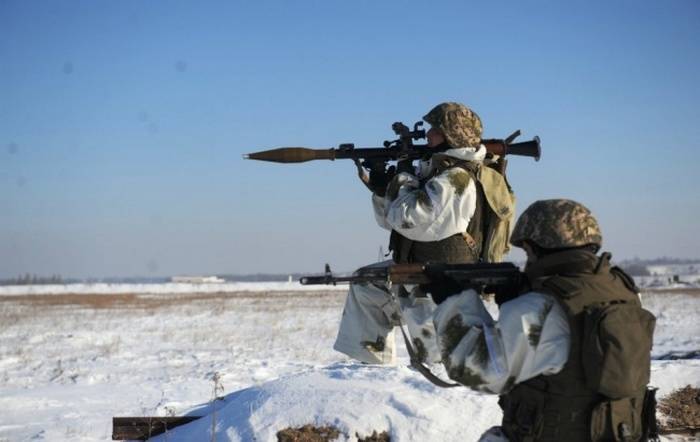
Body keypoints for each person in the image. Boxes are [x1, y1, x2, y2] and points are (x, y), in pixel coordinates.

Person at [433, 199, 657, 442]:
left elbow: (478, 369)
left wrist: (454, 302)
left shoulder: (542, 307)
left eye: (527, 251)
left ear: (534, 246)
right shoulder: (622, 292)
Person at [333, 102, 515, 365]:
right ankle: (372, 376)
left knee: (436, 366)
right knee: (367, 285)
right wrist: (383, 186)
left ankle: (430, 394)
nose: (428, 135)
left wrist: (403, 176)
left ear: (454, 135)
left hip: (442, 285)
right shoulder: (436, 172)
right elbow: (392, 221)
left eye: (436, 130)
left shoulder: (456, 178)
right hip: (417, 273)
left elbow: (409, 218)